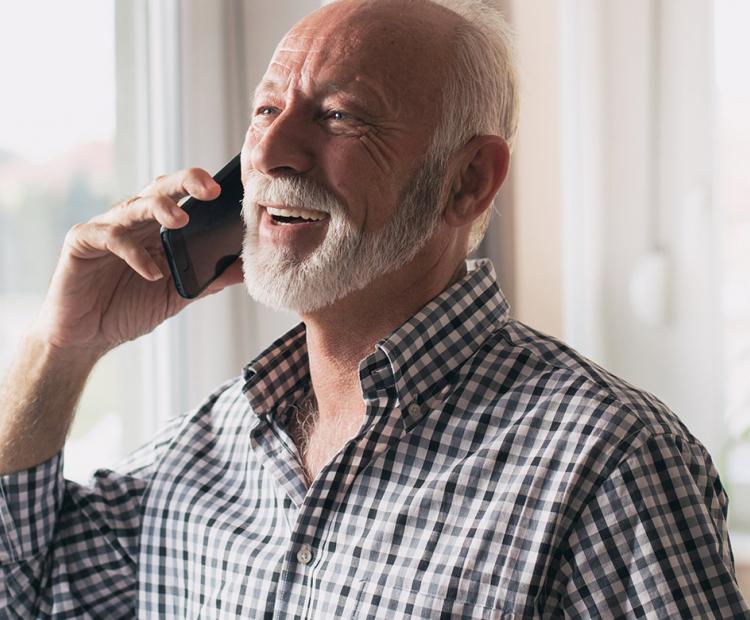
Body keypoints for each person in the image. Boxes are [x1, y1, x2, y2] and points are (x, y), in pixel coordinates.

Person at [1, 0, 748, 617]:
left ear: (468, 181)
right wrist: (63, 344)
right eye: (266, 109)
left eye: (338, 117)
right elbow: (19, 591)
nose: (268, 156)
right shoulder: (210, 446)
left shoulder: (610, 463)